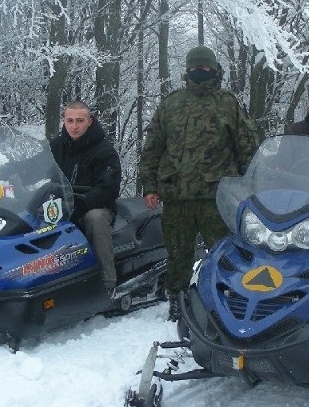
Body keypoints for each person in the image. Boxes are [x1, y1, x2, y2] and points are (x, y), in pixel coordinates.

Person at [139, 45, 261, 321]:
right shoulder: (170, 104)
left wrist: (249, 188)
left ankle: (227, 295)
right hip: (176, 195)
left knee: (225, 251)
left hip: (217, 197)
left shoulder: (228, 103)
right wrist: (150, 186)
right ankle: (177, 300)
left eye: (205, 67)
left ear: (215, 69)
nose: (200, 72)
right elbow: (153, 148)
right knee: (178, 254)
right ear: (187, 70)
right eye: (195, 67)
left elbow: (247, 148)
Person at [50, 101, 122, 296]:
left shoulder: (104, 151)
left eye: (79, 121)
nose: (74, 126)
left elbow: (108, 189)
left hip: (93, 206)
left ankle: (107, 282)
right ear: (64, 121)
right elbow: (34, 166)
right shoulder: (56, 147)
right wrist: (8, 171)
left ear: (89, 122)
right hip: (60, 205)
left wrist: (81, 204)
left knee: (95, 219)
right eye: (70, 120)